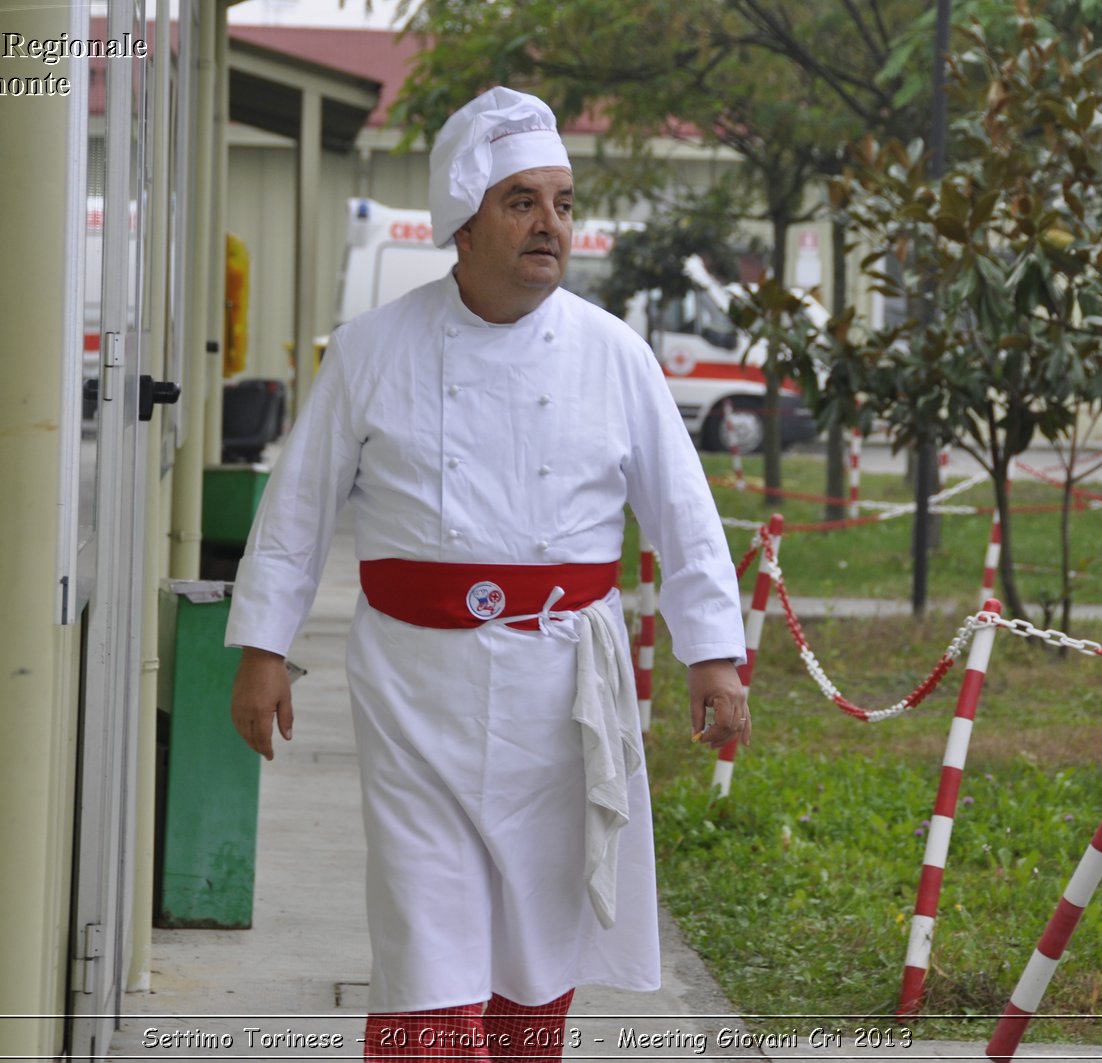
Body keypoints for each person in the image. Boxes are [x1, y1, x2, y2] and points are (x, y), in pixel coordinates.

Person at [226, 87, 749, 1061]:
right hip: (415, 693)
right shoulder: (375, 349)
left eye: (561, 202)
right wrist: (263, 648)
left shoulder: (614, 354)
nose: (551, 225)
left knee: (536, 946)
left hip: (565, 695)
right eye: (522, 201)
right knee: (427, 942)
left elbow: (684, 514)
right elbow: (297, 507)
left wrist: (712, 655)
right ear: (463, 219)